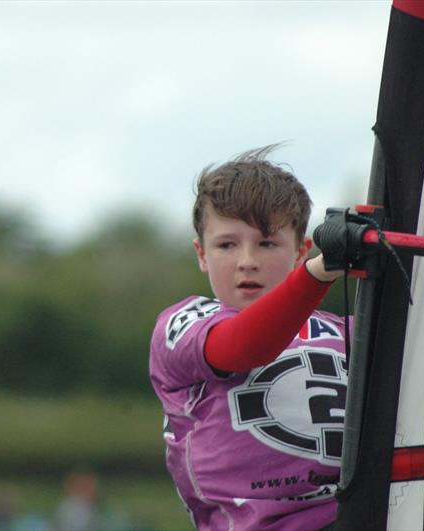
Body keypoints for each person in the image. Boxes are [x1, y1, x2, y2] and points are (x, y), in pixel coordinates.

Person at [149, 145, 346, 531]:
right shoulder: (183, 324)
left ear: (299, 251)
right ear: (201, 254)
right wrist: (319, 273)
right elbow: (245, 347)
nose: (246, 261)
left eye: (267, 243)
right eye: (227, 244)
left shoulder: (345, 330)